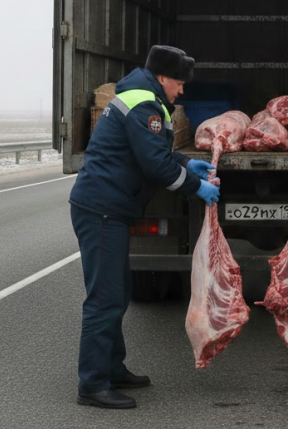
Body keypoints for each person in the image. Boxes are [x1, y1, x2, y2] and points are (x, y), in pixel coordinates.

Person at [69, 45, 221, 410]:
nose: (181, 90)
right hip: (102, 209)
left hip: (111, 207)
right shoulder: (144, 104)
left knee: (118, 293)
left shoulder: (145, 99)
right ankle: (93, 384)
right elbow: (154, 164)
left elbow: (150, 150)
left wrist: (186, 162)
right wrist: (195, 186)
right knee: (104, 298)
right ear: (163, 77)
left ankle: (112, 369)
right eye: (179, 82)